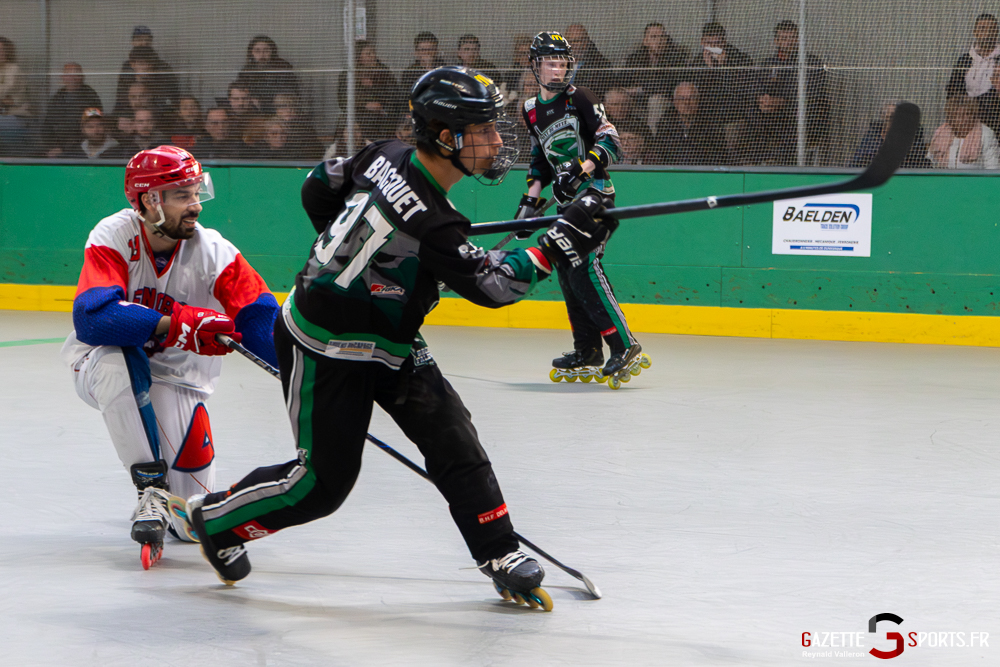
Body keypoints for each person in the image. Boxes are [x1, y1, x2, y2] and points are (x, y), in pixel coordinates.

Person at [170, 66, 615, 611]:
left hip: (392, 341)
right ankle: (216, 520)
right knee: (322, 485)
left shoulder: (386, 155)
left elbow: (317, 185)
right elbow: (496, 285)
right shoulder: (436, 224)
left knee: (454, 437)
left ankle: (498, 550)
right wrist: (562, 239)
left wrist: (358, 260)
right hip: (323, 346)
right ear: (447, 137)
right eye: (485, 130)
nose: (499, 142)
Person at [60, 145, 280, 569]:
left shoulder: (215, 251)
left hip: (179, 380)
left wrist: (306, 369)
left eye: (197, 192)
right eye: (182, 195)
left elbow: (259, 321)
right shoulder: (113, 235)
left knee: (189, 521)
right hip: (99, 364)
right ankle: (150, 488)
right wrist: (176, 323)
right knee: (118, 359)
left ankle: (170, 497)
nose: (195, 205)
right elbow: (93, 318)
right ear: (148, 200)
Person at [517, 32, 647, 388]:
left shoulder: (580, 98)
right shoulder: (530, 109)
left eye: (562, 63)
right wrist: (530, 201)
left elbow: (611, 141)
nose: (558, 70)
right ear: (536, 66)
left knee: (585, 265)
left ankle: (623, 344)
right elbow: (540, 159)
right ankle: (588, 351)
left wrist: (581, 169)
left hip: (595, 195)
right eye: (550, 63)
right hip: (564, 203)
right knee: (566, 269)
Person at [757, 20, 829, 157]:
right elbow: (756, 85)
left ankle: (785, 162)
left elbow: (812, 92)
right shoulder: (768, 63)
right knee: (752, 111)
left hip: (799, 115)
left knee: (800, 114)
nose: (788, 42)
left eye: (792, 38)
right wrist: (762, 99)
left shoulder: (811, 62)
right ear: (776, 41)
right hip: (772, 114)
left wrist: (782, 102)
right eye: (784, 38)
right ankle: (754, 161)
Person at [686, 23, 755, 131]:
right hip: (705, 112)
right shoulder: (696, 62)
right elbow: (696, 90)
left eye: (717, 43)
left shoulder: (741, 59)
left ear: (724, 42)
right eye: (709, 43)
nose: (713, 48)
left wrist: (724, 67)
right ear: (702, 42)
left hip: (732, 111)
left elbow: (741, 90)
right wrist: (709, 68)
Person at [337, 41, 400, 139]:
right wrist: (365, 105)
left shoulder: (383, 71)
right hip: (359, 115)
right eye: (368, 53)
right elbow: (342, 100)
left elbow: (394, 94)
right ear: (359, 57)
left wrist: (374, 89)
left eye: (373, 52)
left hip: (382, 114)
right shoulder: (348, 73)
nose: (373, 56)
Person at [42, 62, 104, 157]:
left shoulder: (90, 96)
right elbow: (47, 125)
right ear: (63, 77)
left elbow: (92, 124)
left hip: (80, 146)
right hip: (57, 144)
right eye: (68, 74)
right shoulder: (57, 97)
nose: (72, 77)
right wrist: (51, 146)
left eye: (76, 73)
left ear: (82, 76)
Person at [657, 81, 727, 165]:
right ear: (675, 102)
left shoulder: (711, 124)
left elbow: (719, 154)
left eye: (691, 98)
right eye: (682, 99)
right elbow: (661, 154)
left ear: (698, 101)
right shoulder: (665, 124)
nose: (687, 103)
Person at [849, 102, 931, 169]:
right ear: (882, 117)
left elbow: (919, 161)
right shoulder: (872, 135)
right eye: (890, 117)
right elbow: (857, 159)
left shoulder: (912, 136)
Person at [927, 95, 1000, 169]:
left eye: (966, 114)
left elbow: (993, 167)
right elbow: (930, 162)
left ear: (973, 115)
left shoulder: (986, 134)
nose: (963, 119)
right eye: (956, 115)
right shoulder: (941, 132)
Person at [238, 35, 298, 114]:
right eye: (257, 51)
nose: (262, 55)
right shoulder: (246, 71)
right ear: (251, 53)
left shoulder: (283, 68)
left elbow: (288, 97)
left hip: (279, 112)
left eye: (266, 51)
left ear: (272, 52)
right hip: (253, 113)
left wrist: (262, 104)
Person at [947, 14, 1000, 100]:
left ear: (997, 32)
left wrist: (976, 103)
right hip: (967, 111)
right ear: (975, 32)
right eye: (982, 29)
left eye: (991, 29)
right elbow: (954, 89)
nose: (987, 33)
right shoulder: (965, 60)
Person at [0, 36, 31, 156]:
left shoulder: (13, 69)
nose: (0, 53)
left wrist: (6, 101)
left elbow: (6, 89)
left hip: (14, 116)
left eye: (2, 49)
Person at [563, 24, 611, 98]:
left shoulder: (599, 64)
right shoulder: (557, 62)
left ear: (586, 42)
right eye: (569, 41)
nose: (572, 45)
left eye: (576, 41)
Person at [64, 107, 129, 159]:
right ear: (83, 130)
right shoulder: (76, 151)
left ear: (105, 126)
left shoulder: (118, 150)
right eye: (90, 127)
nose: (96, 130)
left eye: (99, 125)